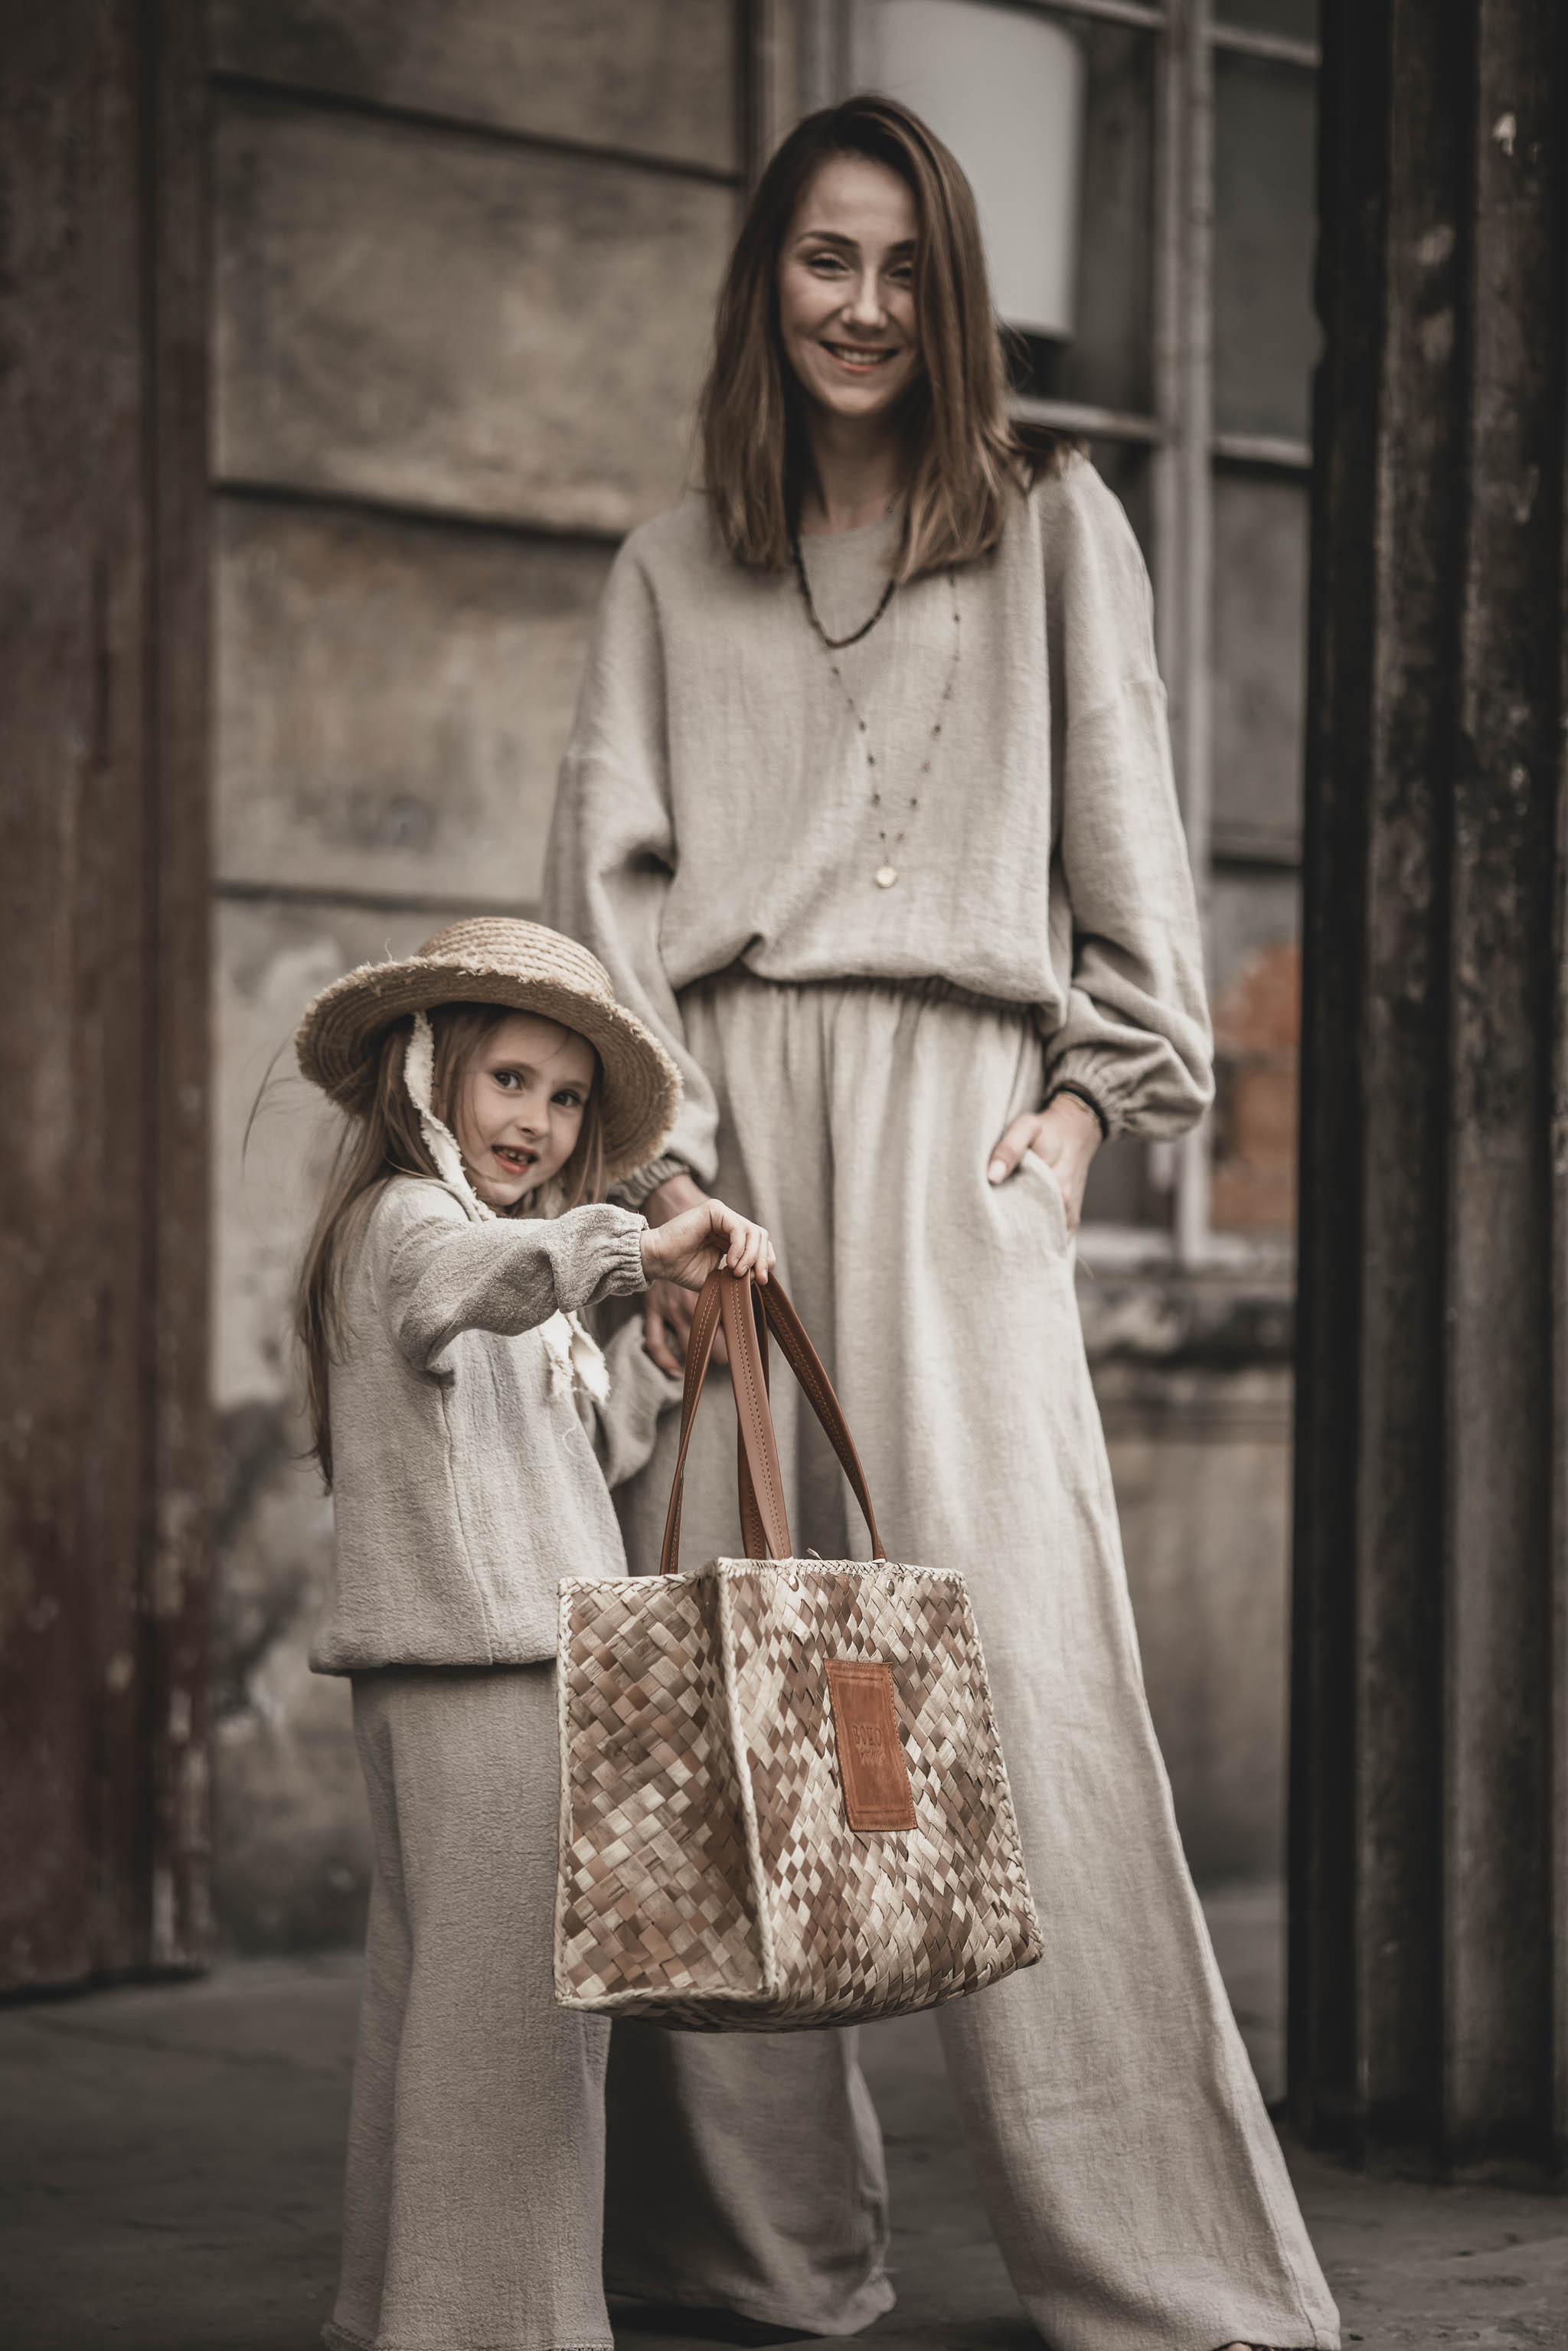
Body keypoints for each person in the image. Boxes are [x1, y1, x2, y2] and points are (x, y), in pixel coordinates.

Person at [544, 96, 1340, 2351]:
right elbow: (599, 908)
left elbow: (1135, 887)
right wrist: (662, 1183)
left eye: (905, 265)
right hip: (723, 1153)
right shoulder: (666, 569)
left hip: (959, 1134)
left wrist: (1076, 1131)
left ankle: (1165, 2266)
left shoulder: (1058, 528)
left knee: (1023, 1683)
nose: (865, 305)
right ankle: (757, 2253)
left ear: (957, 291)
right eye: (826, 258)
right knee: (718, 1676)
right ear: (767, 282)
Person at [291, 916, 773, 2351]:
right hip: (486, 1672)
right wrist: (632, 1241)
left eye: (566, 1100)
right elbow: (470, 1281)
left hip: (490, 1666)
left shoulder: (497, 1262)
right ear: (425, 1072)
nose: (539, 1123)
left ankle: (407, 2313)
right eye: (510, 1080)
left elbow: (567, 1455)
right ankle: (508, 2329)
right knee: (518, 2040)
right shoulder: (412, 1227)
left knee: (445, 2022)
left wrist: (657, 1349)